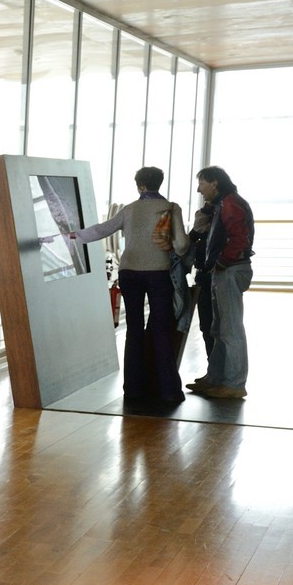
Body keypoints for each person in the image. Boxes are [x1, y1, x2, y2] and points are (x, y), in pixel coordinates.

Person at [67, 166, 188, 405]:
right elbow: (182, 245)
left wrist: (73, 236)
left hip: (129, 273)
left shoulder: (129, 209)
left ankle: (133, 389)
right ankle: (169, 392)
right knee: (161, 331)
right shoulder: (172, 208)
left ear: (140, 185)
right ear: (159, 183)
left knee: (133, 330)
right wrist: (171, 248)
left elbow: (102, 230)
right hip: (158, 274)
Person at [186, 166, 255, 399]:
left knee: (231, 329)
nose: (199, 189)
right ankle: (216, 378)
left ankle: (235, 384)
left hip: (231, 270)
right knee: (219, 328)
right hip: (225, 270)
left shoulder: (230, 204)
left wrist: (223, 261)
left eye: (202, 183)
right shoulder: (223, 203)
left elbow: (239, 237)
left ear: (214, 183)